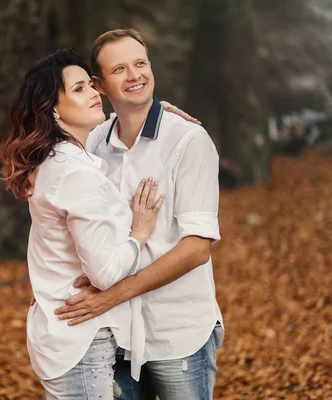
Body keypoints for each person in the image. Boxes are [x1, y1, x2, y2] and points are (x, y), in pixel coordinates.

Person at [55, 29, 224, 400]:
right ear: (98, 85)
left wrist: (111, 295)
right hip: (117, 334)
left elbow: (197, 248)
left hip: (177, 330)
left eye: (140, 64)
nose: (135, 76)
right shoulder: (94, 142)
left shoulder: (188, 141)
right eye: (120, 69)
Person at [0, 48, 166, 399]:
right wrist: (140, 233)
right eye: (79, 89)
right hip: (81, 339)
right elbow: (104, 274)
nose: (93, 93)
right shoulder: (73, 172)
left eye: (91, 85)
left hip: (63, 333)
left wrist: (165, 114)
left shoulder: (55, 160)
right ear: (54, 110)